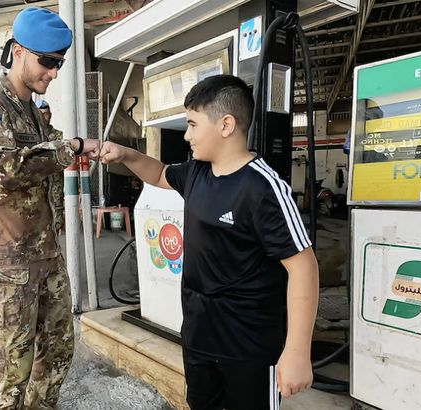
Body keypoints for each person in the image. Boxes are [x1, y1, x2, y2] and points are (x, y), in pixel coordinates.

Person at [99, 75, 319, 410]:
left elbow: (303, 267)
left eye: (192, 125)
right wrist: (126, 154)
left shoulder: (263, 188)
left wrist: (297, 351)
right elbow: (159, 174)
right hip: (199, 336)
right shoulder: (197, 173)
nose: (186, 135)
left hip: (248, 346)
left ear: (226, 125)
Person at [0, 7, 99, 410]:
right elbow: (2, 168)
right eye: (47, 62)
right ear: (18, 51)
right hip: (10, 263)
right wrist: (69, 148)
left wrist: (78, 146)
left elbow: (47, 150)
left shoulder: (32, 113)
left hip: (45, 255)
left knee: (57, 353)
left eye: (59, 64)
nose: (54, 73)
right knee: (13, 369)